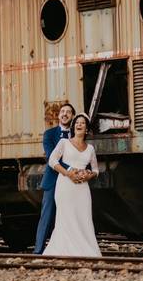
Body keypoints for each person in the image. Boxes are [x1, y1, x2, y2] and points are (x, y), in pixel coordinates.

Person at [42, 113, 101, 257]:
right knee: (66, 217)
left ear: (86, 129)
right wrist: (68, 174)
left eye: (82, 123)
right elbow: (52, 160)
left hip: (82, 188)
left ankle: (85, 250)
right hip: (65, 186)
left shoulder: (90, 148)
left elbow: (96, 170)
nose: (79, 125)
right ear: (74, 127)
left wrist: (88, 175)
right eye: (77, 123)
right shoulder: (64, 143)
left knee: (83, 217)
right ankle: (65, 249)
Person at [33, 103, 75, 254]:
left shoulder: (77, 135)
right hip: (54, 180)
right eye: (62, 111)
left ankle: (69, 249)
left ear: (72, 116)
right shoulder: (49, 134)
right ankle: (38, 251)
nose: (65, 114)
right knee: (47, 215)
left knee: (71, 215)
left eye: (68, 112)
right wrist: (70, 169)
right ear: (58, 116)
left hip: (71, 182)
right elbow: (52, 157)